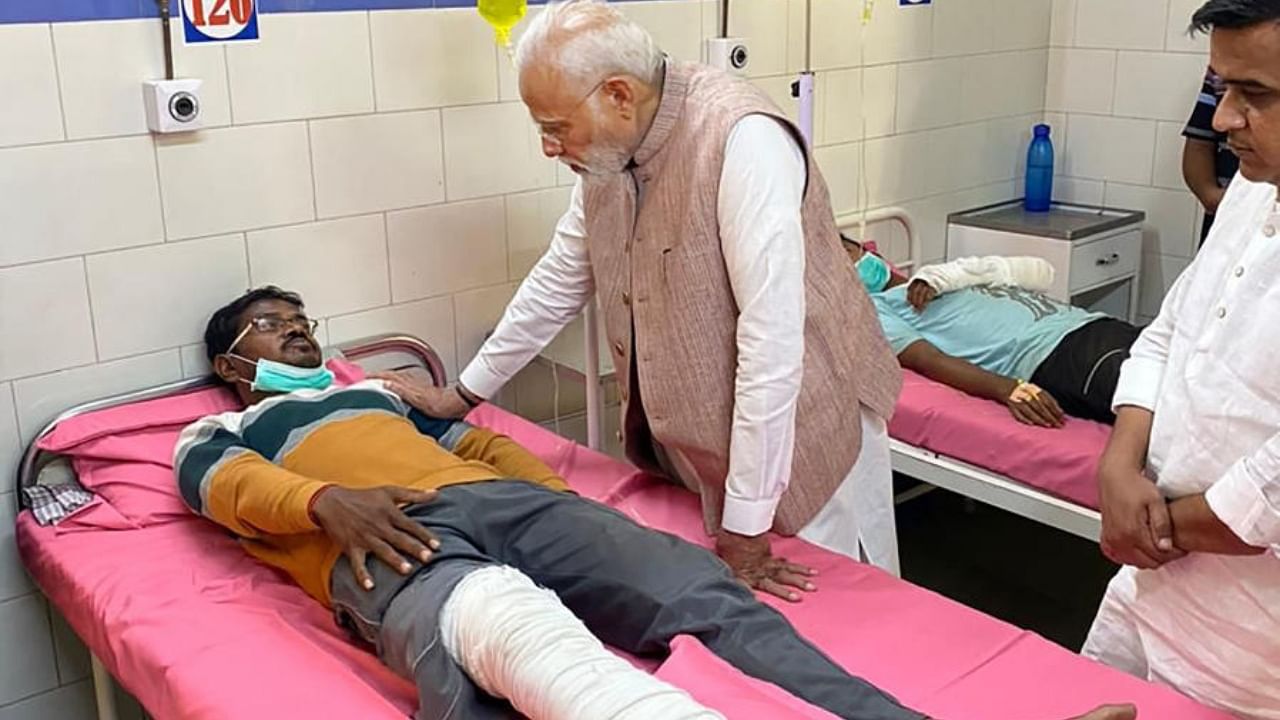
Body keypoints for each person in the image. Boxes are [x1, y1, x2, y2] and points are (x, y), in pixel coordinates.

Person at [174, 286, 1133, 720]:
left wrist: (553, 507)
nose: (301, 338)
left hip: (496, 503)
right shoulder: (217, 431)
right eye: (276, 328)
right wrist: (325, 501)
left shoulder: (381, 394)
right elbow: (223, 489)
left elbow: (476, 438)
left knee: (706, 594)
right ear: (233, 363)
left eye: (305, 324)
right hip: (387, 540)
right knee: (483, 663)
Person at [377, 0, 904, 603]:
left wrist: (747, 526)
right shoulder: (607, 156)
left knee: (837, 609)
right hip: (710, 447)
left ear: (619, 96)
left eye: (554, 127)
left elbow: (773, 344)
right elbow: (561, 277)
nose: (549, 147)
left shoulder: (742, 141)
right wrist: (464, 392)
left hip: (809, 433)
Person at [1083, 1, 1280, 717]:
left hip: (1253, 657)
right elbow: (1170, 330)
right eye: (1222, 88)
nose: (1223, 120)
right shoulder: (1250, 194)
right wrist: (1118, 460)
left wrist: (1155, 524)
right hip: (1148, 595)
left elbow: (1270, 492)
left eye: (1253, 95)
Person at [844, 239, 1140, 427]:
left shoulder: (944, 274)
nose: (849, 262)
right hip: (1050, 356)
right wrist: (1007, 388)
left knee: (1183, 363)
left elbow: (1039, 272)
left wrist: (940, 278)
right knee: (1165, 401)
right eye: (838, 263)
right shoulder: (874, 310)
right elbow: (928, 360)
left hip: (1093, 324)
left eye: (847, 250)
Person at [1183, 67, 1240, 245]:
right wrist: (1213, 197)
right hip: (1226, 218)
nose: (1222, 121)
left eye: (1255, 93)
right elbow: (1200, 140)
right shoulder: (1222, 65)